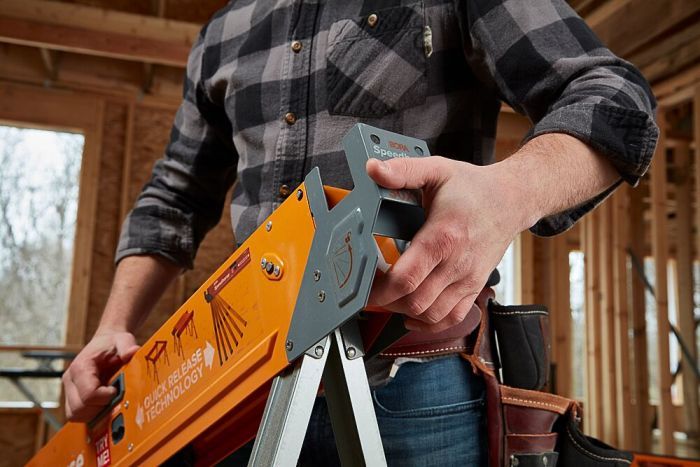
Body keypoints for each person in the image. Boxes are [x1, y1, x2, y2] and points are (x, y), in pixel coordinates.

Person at [61, 1, 657, 465]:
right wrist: (113, 327)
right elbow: (174, 196)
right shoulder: (221, 32)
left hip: (419, 383)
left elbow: (616, 98)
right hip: (252, 385)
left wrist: (510, 194)